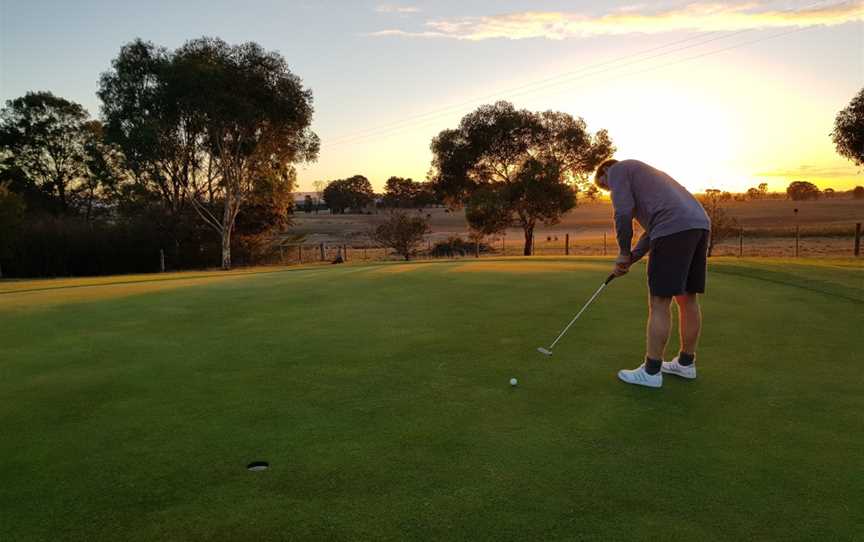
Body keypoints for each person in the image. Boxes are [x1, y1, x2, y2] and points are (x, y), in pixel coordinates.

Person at [594, 159, 711, 388]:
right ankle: (686, 364)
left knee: (659, 301)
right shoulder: (646, 177)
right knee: (688, 298)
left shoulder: (617, 169)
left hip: (673, 229)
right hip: (699, 225)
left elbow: (623, 213)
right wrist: (632, 257)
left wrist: (623, 252)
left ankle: (651, 371)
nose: (610, 191)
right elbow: (653, 230)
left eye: (606, 186)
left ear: (606, 171)